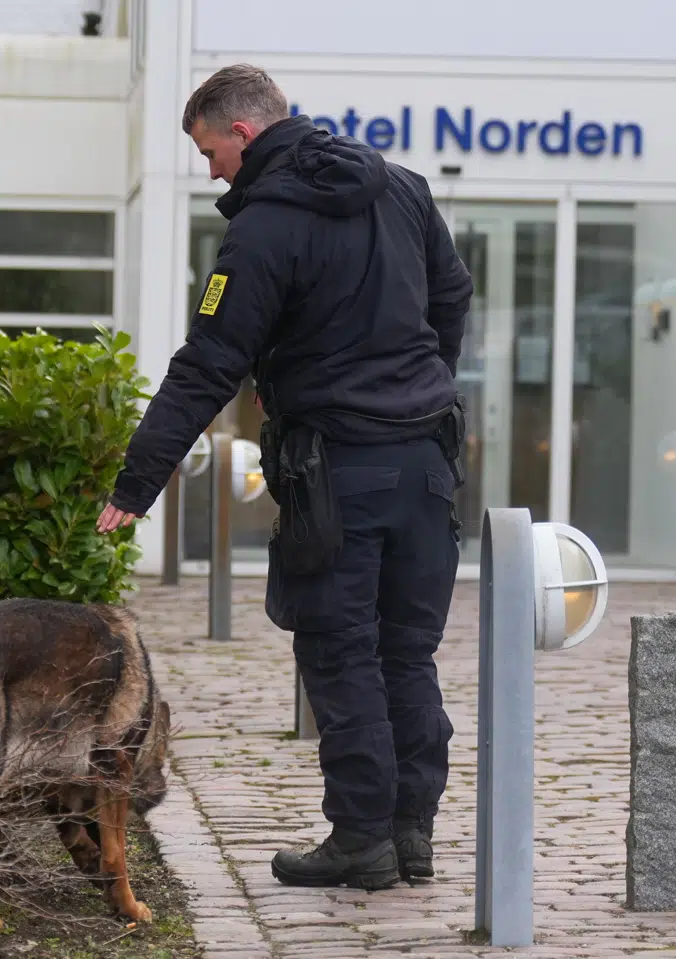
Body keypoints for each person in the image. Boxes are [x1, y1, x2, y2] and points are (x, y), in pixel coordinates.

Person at [96, 63, 473, 891]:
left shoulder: (265, 227)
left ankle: (363, 839)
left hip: (336, 469)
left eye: (211, 153)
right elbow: (452, 295)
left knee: (341, 650)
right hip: (426, 463)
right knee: (408, 653)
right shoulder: (403, 188)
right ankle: (411, 833)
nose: (212, 172)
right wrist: (423, 384)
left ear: (244, 131)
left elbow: (208, 363)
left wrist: (135, 483)